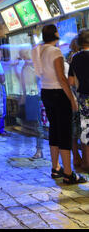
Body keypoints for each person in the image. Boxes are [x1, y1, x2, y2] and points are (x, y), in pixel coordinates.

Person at [31, 24, 86, 184]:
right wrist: (71, 99)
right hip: (58, 93)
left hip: (46, 92)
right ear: (55, 34)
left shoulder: (37, 50)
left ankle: (55, 168)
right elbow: (62, 78)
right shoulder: (55, 51)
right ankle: (69, 173)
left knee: (54, 129)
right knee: (65, 132)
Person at [68, 29, 89, 173]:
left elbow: (70, 81)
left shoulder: (75, 57)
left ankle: (86, 163)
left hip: (83, 97)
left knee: (85, 130)